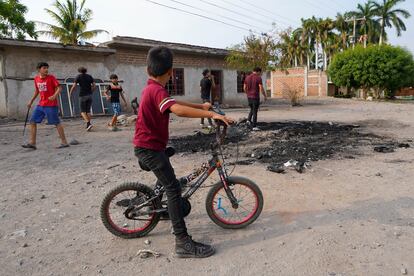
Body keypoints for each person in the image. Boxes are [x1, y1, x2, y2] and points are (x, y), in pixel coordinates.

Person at [133, 46, 233, 258]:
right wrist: (213, 116)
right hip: (150, 149)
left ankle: (165, 208)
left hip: (151, 146)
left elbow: (174, 103)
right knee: (173, 189)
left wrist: (203, 108)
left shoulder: (151, 88)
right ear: (170, 72)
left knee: (169, 180)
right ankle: (182, 242)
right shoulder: (156, 90)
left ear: (147, 69)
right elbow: (177, 109)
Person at [22, 62, 69, 150]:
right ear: (39, 69)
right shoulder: (36, 79)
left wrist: (54, 96)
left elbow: (59, 88)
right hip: (41, 104)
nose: (46, 69)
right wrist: (31, 101)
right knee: (32, 121)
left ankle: (64, 142)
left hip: (51, 105)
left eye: (47, 68)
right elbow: (37, 91)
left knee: (56, 123)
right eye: (44, 68)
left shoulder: (51, 78)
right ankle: (32, 143)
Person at [69, 67, 96, 131]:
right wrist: (91, 91)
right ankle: (88, 125)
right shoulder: (89, 76)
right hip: (89, 96)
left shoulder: (78, 76)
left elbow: (74, 86)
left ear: (79, 71)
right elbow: (94, 85)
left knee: (82, 111)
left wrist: (70, 93)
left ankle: (88, 124)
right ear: (85, 71)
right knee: (88, 111)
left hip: (82, 95)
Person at [243, 67, 267, 131]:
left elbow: (244, 87)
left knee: (252, 109)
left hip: (249, 97)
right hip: (255, 97)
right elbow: (261, 88)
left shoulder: (247, 77)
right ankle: (254, 126)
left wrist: (247, 93)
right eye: (260, 72)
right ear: (258, 71)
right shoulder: (258, 78)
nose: (260, 74)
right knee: (255, 111)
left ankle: (248, 120)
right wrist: (265, 96)